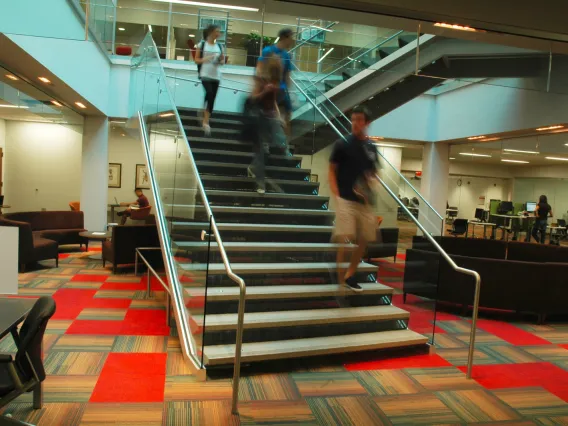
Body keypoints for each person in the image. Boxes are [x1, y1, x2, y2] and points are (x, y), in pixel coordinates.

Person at [329, 106, 378, 292]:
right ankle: (340, 278)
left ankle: (350, 274)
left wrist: (370, 185)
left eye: (359, 120)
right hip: (345, 199)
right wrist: (337, 196)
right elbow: (331, 171)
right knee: (345, 236)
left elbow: (372, 173)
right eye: (353, 119)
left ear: (367, 123)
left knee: (365, 238)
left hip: (363, 201)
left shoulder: (371, 147)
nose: (355, 123)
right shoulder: (342, 144)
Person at [245, 54, 284, 194]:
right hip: (259, 118)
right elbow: (252, 99)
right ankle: (260, 184)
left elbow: (273, 101)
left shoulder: (276, 81)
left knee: (271, 149)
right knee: (262, 152)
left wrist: (278, 115)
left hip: (270, 118)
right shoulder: (261, 79)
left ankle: (252, 167)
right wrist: (264, 92)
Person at [257, 28, 295, 135]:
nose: (292, 41)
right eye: (291, 38)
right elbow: (259, 68)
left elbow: (287, 75)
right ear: (284, 38)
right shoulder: (268, 51)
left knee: (288, 112)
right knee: (270, 113)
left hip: (281, 89)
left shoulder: (286, 55)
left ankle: (284, 141)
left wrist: (288, 88)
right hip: (269, 87)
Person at [195, 24, 225, 135]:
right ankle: (205, 119)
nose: (218, 33)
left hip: (216, 75)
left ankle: (205, 120)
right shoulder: (202, 45)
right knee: (209, 92)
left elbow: (222, 62)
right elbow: (196, 60)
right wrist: (206, 58)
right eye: (217, 31)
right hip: (205, 74)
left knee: (212, 98)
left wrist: (220, 61)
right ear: (211, 32)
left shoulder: (220, 46)